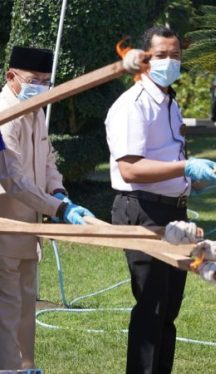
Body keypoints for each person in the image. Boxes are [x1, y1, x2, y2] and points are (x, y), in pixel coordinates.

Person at [104, 26, 216, 373]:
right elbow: (130, 169)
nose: (170, 61)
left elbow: (167, 157)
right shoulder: (133, 104)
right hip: (142, 209)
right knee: (151, 308)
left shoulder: (170, 100)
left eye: (176, 55)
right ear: (143, 60)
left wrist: (191, 180)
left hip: (173, 213)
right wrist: (185, 166)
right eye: (162, 55)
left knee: (168, 309)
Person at [0, 46, 94, 370]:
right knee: (6, 311)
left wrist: (59, 193)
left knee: (27, 307)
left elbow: (48, 157)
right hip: (6, 226)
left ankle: (27, 367)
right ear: (11, 76)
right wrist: (58, 209)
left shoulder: (35, 109)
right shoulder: (4, 115)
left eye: (45, 81)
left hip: (30, 228)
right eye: (32, 80)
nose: (40, 87)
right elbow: (13, 180)